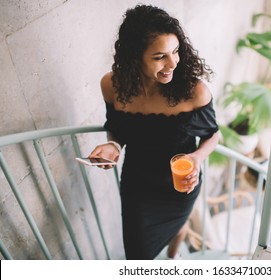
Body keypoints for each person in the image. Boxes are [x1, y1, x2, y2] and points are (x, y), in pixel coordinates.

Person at [88, 4, 219, 260]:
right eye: (160, 56)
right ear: (135, 56)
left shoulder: (195, 91)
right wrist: (112, 146)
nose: (173, 63)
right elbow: (117, 129)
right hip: (138, 184)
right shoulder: (112, 86)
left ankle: (172, 258)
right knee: (137, 256)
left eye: (176, 51)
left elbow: (212, 134)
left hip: (179, 185)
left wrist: (197, 158)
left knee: (180, 223)